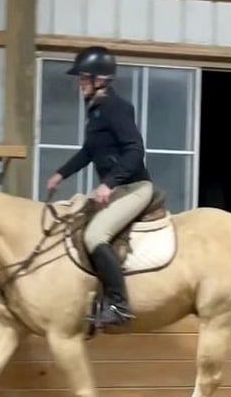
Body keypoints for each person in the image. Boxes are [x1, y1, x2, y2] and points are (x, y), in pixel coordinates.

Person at [47, 45, 153, 328]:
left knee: (95, 236)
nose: (79, 83)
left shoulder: (117, 108)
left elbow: (135, 150)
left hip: (135, 188)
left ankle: (119, 305)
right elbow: (89, 151)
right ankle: (95, 297)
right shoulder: (95, 109)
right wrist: (61, 173)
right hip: (118, 188)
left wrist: (108, 183)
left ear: (101, 79)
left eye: (84, 78)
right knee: (76, 226)